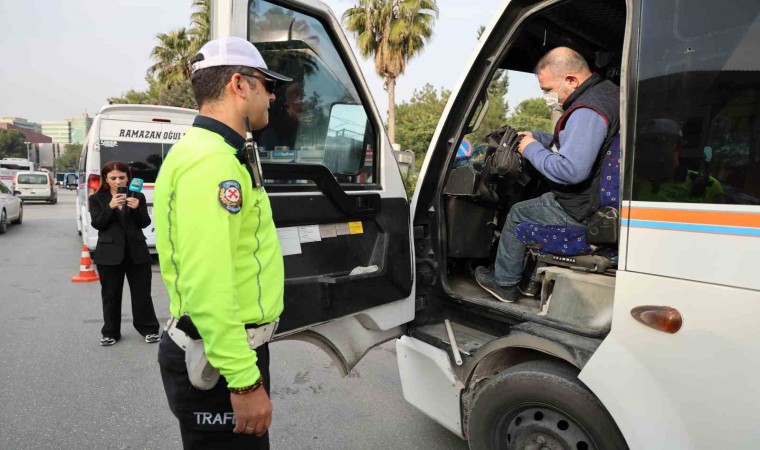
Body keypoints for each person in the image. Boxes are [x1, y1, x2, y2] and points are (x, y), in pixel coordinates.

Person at [154, 36, 291, 448]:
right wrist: (245, 382)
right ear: (239, 84)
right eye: (268, 85)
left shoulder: (214, 152)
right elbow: (209, 284)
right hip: (218, 360)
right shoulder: (213, 163)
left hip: (221, 352)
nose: (271, 96)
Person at [476, 47, 620, 302]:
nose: (546, 96)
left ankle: (505, 284)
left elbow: (570, 171)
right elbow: (575, 144)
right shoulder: (607, 93)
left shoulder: (586, 111)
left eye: (547, 89)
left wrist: (530, 149)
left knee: (518, 213)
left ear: (572, 80)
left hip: (583, 208)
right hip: (600, 201)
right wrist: (538, 138)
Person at [88, 161, 160, 346]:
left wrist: (137, 209)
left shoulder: (138, 196)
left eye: (122, 177)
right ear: (106, 179)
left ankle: (149, 329)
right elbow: (98, 224)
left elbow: (144, 223)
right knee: (111, 295)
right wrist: (110, 207)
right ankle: (110, 332)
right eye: (113, 178)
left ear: (128, 177)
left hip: (137, 252)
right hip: (109, 255)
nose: (117, 181)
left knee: (142, 294)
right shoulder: (97, 198)